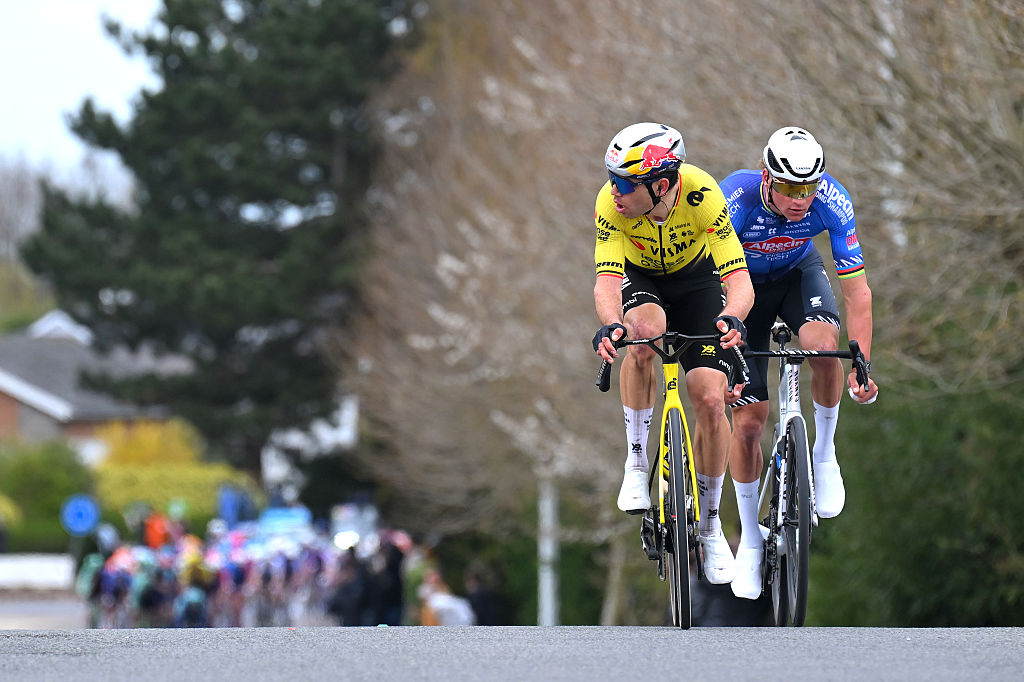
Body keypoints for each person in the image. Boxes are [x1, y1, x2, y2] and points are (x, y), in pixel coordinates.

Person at [718, 126, 879, 600]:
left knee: (825, 348)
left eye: (807, 189)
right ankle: (750, 537)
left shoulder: (832, 200)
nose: (799, 200)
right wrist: (723, 348)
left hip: (796, 276)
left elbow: (858, 292)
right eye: (789, 188)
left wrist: (862, 363)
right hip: (739, 289)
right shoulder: (735, 197)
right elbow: (707, 284)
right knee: (749, 419)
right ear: (767, 178)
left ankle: (825, 455)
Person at [592, 122, 754, 584]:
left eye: (623, 182)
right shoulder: (611, 205)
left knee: (709, 399)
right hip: (640, 279)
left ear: (660, 184)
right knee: (643, 334)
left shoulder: (703, 195)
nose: (613, 190)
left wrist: (736, 316)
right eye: (611, 178)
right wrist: (611, 324)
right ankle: (638, 459)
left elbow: (737, 278)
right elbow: (606, 278)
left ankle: (709, 524)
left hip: (698, 282)